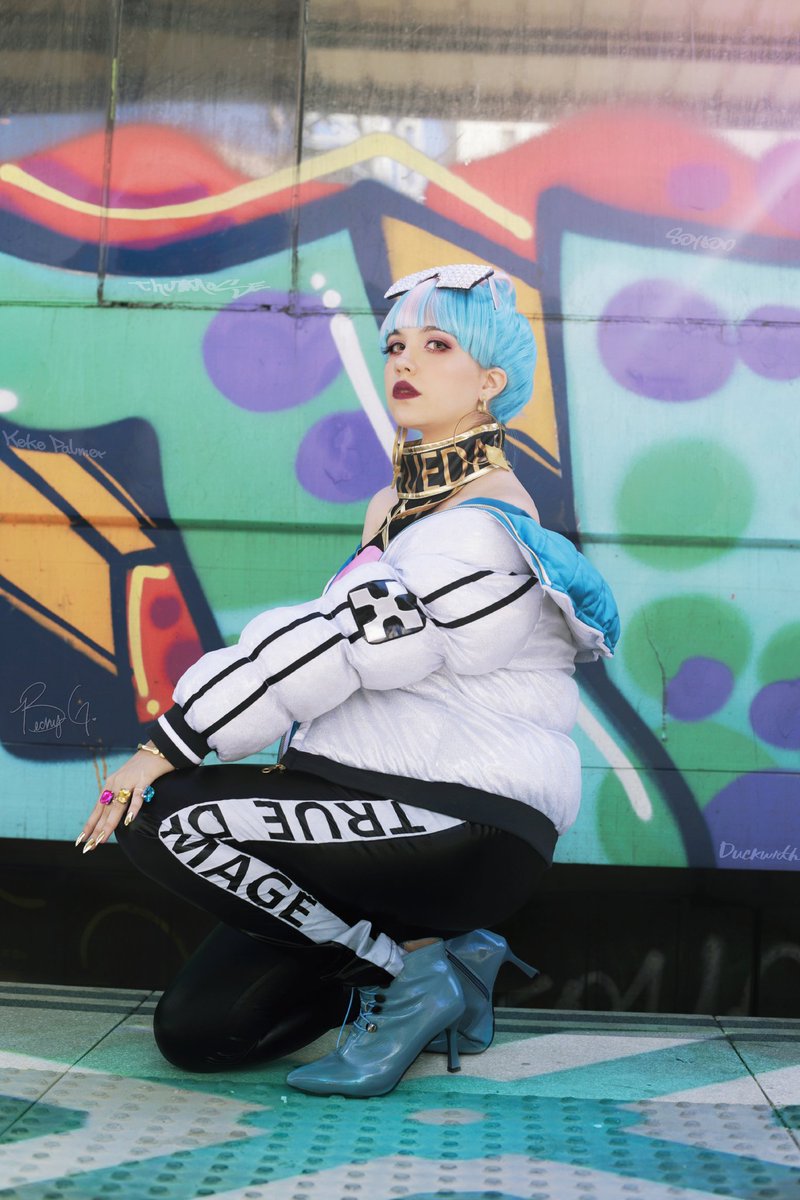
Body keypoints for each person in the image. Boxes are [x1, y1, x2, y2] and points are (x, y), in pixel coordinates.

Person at [77, 263, 619, 1098]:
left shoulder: (482, 529)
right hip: (365, 805)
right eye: (397, 344)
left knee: (160, 815)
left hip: (459, 821)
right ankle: (443, 959)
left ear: (490, 382)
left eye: (438, 346)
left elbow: (339, 646)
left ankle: (411, 978)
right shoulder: (395, 508)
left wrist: (170, 743)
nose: (406, 361)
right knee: (202, 1031)